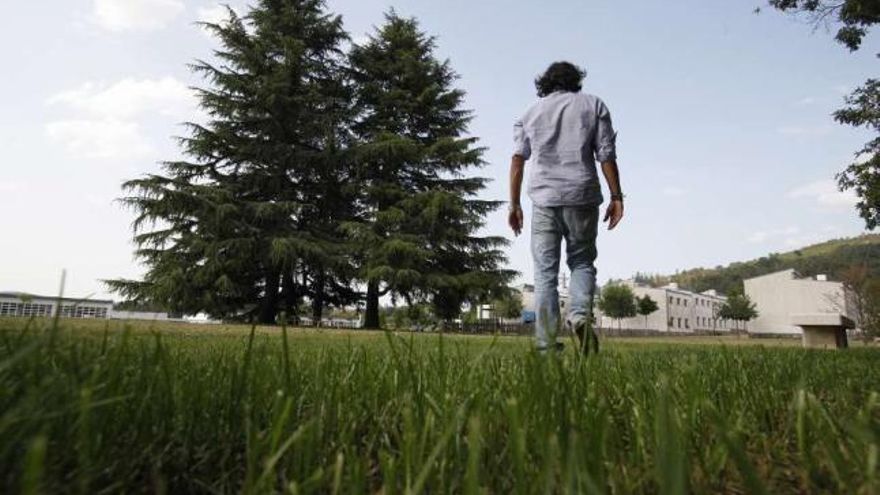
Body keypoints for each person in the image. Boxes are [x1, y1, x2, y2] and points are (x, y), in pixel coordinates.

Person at [508, 61, 624, 354]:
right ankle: (579, 316)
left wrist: (514, 204)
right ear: (576, 81)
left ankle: (546, 345)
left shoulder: (529, 114)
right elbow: (606, 155)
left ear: (545, 83)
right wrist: (617, 196)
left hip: (544, 201)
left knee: (545, 273)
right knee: (582, 262)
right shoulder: (593, 105)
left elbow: (517, 161)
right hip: (582, 195)